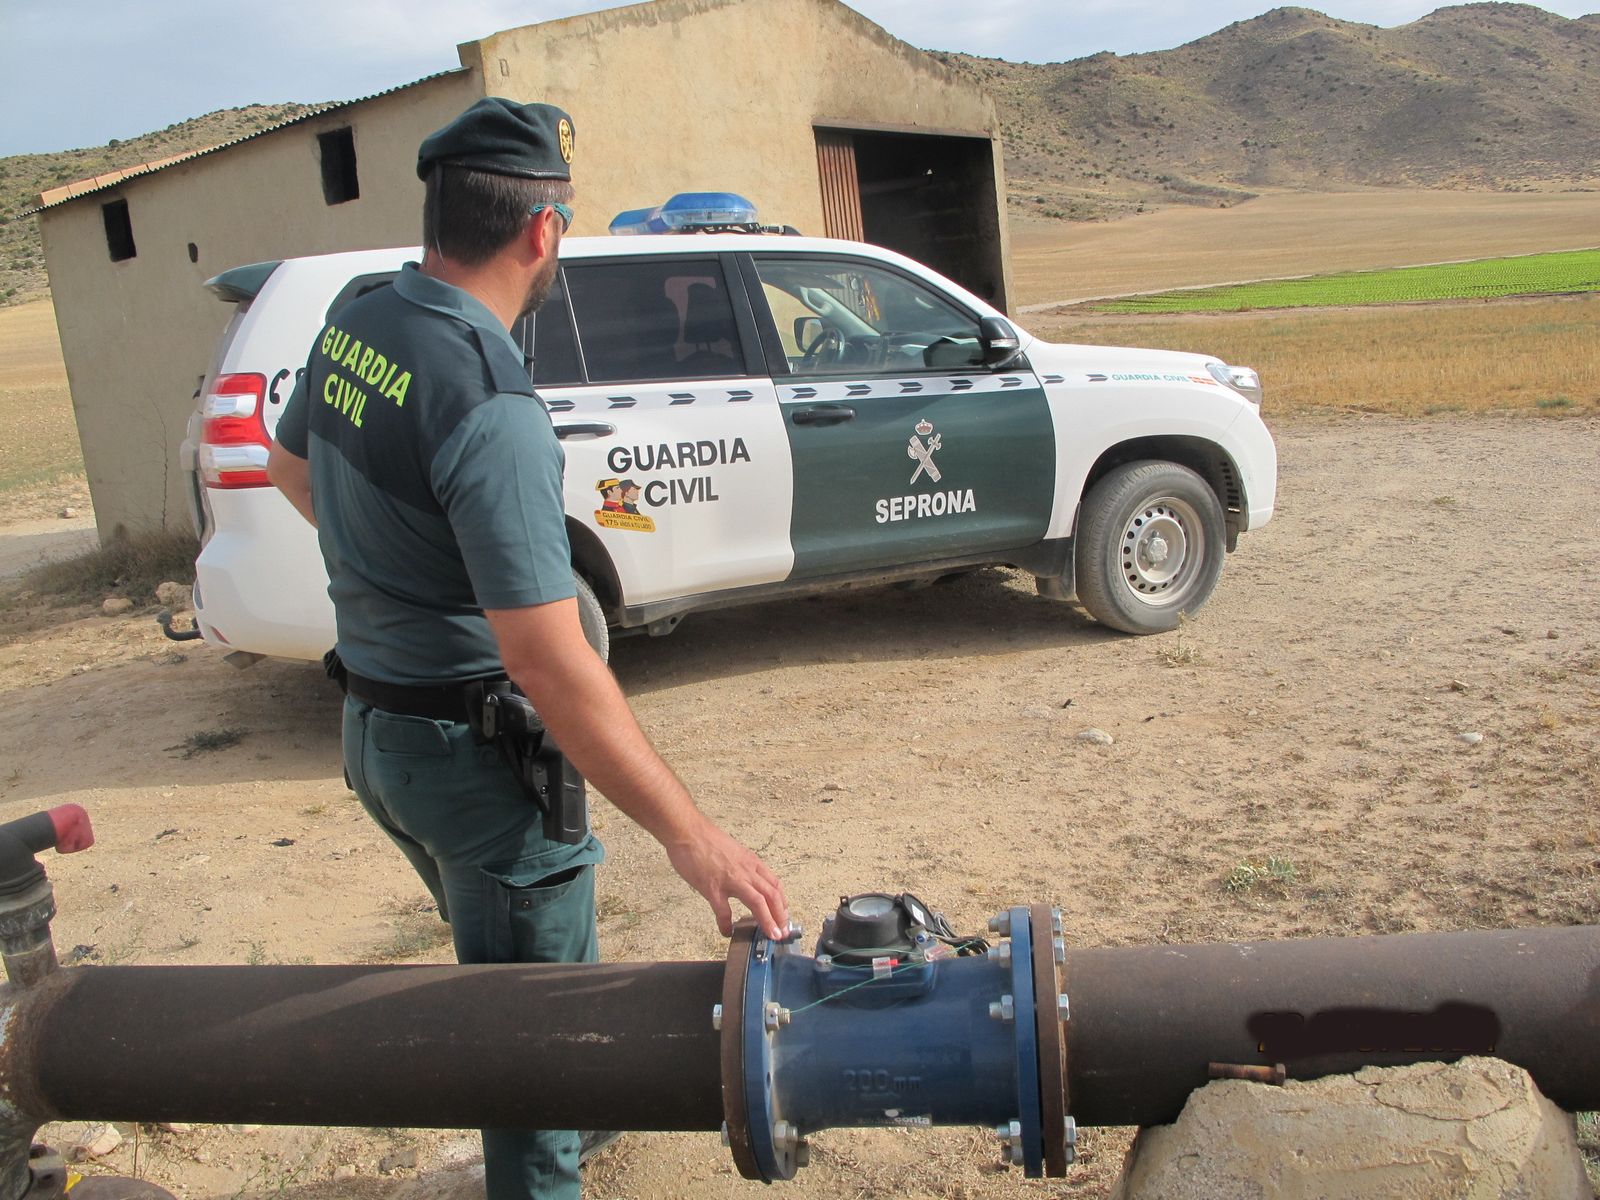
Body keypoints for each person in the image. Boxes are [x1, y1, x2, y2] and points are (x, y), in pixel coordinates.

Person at [265, 97, 789, 1200]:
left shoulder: (363, 315)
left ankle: (569, 1105)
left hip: (377, 739)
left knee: (524, 976)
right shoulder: (488, 399)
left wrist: (403, 575)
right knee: (528, 1045)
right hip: (475, 764)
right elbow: (551, 664)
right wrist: (696, 841)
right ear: (542, 231)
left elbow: (294, 470)